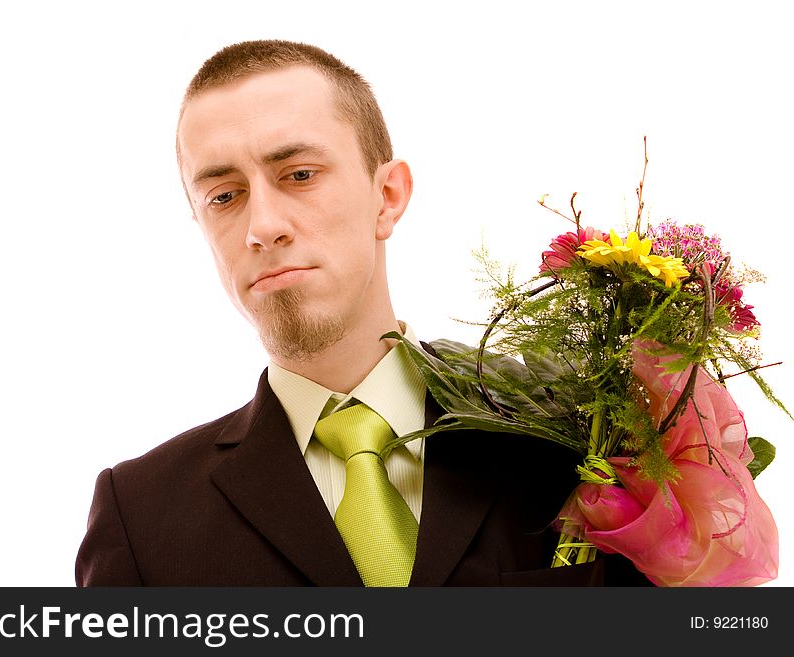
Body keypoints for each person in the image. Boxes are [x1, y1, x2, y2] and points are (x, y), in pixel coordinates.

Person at [75, 39, 649, 587]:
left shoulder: (576, 429)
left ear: (388, 196)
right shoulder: (142, 518)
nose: (262, 227)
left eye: (299, 175)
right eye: (224, 196)